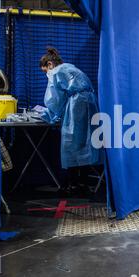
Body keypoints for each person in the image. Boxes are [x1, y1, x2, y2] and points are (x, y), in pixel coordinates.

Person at [40, 47, 101, 195]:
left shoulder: (56, 72)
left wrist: (48, 114)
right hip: (90, 103)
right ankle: (84, 182)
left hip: (77, 105)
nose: (46, 74)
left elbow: (54, 99)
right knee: (86, 143)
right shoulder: (70, 68)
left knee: (71, 142)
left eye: (45, 71)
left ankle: (72, 184)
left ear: (49, 64)